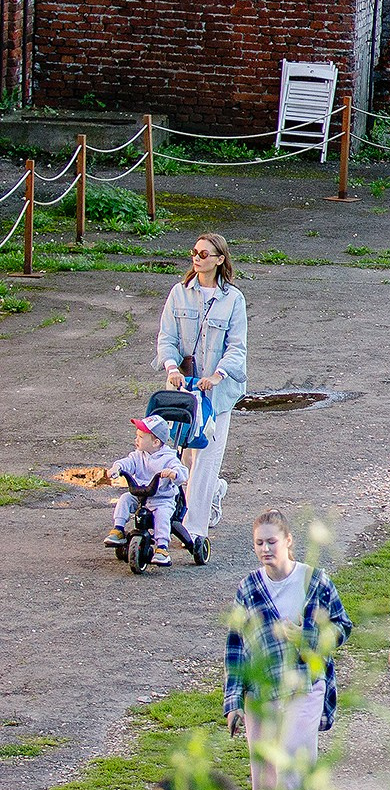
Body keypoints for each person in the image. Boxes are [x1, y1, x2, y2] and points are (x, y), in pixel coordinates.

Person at [225, 510, 352, 790]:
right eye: (259, 543)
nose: (265, 549)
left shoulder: (315, 580)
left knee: (294, 770)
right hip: (261, 691)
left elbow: (342, 626)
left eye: (271, 541)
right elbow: (236, 647)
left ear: (288, 541)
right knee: (265, 779)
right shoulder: (248, 587)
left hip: (305, 684)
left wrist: (307, 637)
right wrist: (233, 700)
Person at [154, 230, 248, 555]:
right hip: (183, 389)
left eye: (204, 254)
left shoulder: (233, 300)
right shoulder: (179, 294)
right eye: (194, 252)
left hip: (217, 394)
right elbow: (166, 337)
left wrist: (218, 375)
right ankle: (214, 493)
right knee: (184, 453)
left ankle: (193, 530)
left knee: (206, 457)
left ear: (219, 260)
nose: (197, 258)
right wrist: (170, 367)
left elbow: (237, 348)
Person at [104, 415, 185, 560]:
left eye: (140, 437)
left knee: (163, 516)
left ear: (155, 442)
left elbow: (182, 472)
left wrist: (173, 473)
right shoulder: (138, 455)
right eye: (137, 436)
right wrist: (117, 467)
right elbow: (127, 462)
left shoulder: (168, 458)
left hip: (161, 498)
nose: (136, 440)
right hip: (140, 496)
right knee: (125, 499)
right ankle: (118, 528)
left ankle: (162, 547)